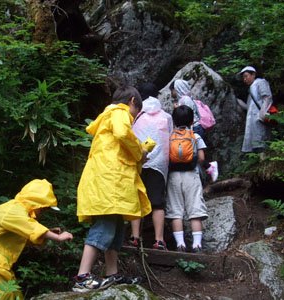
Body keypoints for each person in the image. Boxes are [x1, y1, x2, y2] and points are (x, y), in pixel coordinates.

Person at [73, 85, 152, 292]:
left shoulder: (110, 116)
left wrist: (139, 153)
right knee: (104, 227)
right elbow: (122, 133)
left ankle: (112, 273)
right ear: (132, 101)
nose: (134, 117)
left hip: (111, 182)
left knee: (116, 228)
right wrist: (139, 151)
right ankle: (82, 276)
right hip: (109, 182)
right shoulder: (119, 112)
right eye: (137, 112)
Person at [128, 82, 173, 250]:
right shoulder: (166, 116)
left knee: (136, 199)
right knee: (157, 202)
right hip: (159, 163)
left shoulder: (135, 115)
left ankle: (134, 237)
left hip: (139, 160)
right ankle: (159, 240)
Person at [165, 105, 208, 253]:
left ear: (174, 121)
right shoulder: (195, 136)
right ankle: (197, 245)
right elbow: (201, 158)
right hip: (191, 175)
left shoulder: (169, 136)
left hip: (173, 176)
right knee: (194, 209)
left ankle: (180, 244)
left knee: (176, 210)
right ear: (191, 121)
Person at [169, 79, 218, 182]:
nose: (172, 93)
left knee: (194, 153)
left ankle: (209, 167)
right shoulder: (185, 99)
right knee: (194, 153)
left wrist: (177, 109)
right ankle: (204, 174)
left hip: (194, 128)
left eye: (172, 90)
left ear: (177, 88)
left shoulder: (185, 99)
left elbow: (187, 116)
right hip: (194, 128)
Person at [236, 66, 273, 153]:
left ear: (253, 74)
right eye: (243, 77)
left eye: (246, 76)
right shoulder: (251, 88)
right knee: (256, 142)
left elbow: (267, 97)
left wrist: (262, 113)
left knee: (261, 140)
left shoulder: (260, 82)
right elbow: (249, 107)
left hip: (259, 118)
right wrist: (238, 101)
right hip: (252, 120)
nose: (245, 79)